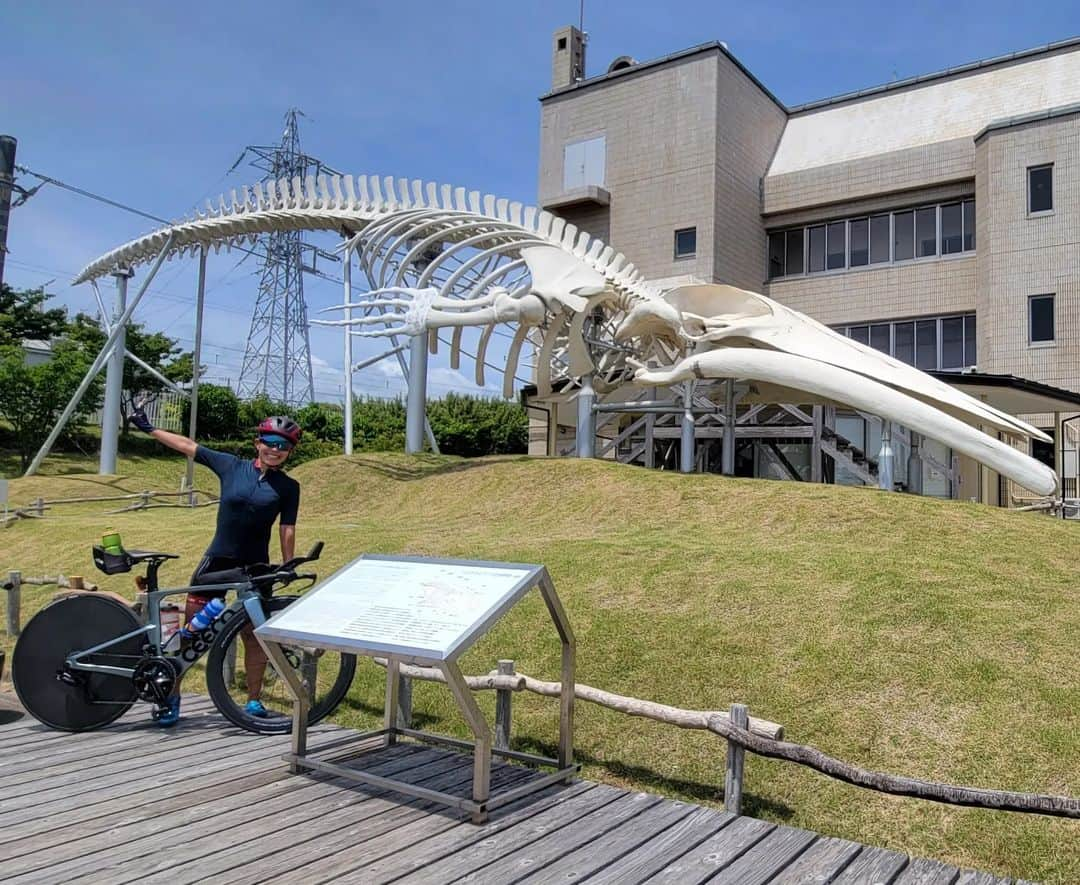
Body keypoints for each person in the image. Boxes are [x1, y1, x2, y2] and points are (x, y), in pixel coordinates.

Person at [129, 402, 301, 726]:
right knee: (191, 636)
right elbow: (189, 446)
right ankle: (171, 699)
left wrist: (288, 565)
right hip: (217, 563)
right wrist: (148, 428)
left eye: (283, 446)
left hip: (256, 569)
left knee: (255, 636)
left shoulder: (289, 488)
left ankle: (253, 702)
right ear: (258, 443)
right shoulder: (231, 466)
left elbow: (287, 528)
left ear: (290, 452)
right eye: (270, 443)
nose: (275, 450)